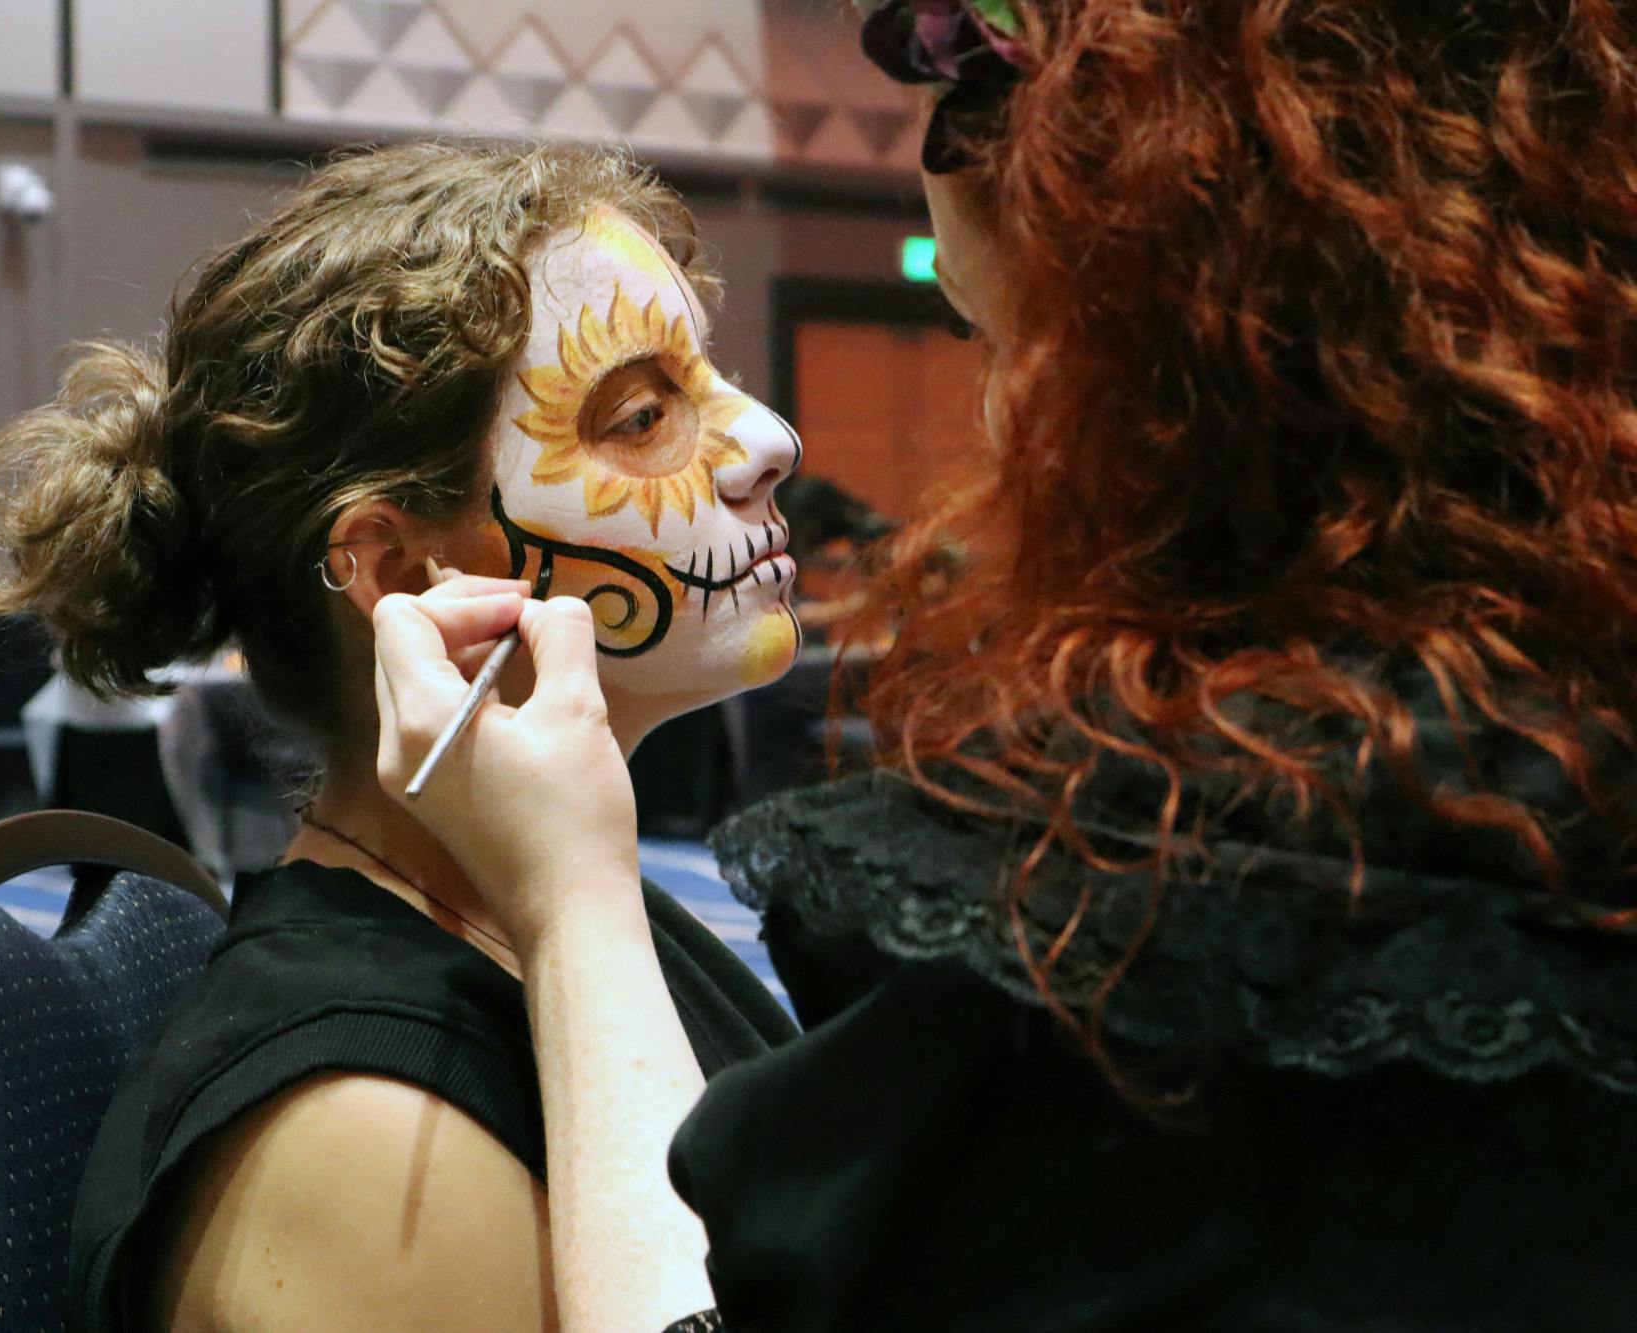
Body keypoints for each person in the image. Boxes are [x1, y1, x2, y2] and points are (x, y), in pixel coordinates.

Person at [372, 2, 1637, 1329]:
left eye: (1001, 338)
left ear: (1210, 365)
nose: (770, 441)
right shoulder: (368, 1094)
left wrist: (573, 905)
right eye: (642, 411)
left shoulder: (1157, 920)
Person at [0, 139, 804, 1332]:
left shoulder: (567, 899)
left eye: (707, 381)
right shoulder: (367, 1137)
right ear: (401, 568)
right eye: (643, 414)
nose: (768, 439)